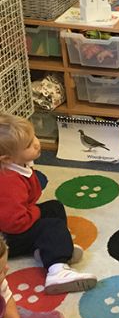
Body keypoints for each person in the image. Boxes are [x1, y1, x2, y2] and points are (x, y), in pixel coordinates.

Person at [0, 114, 97, 294]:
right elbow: (15, 223)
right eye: (28, 145)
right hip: (6, 238)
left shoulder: (18, 165)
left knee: (54, 207)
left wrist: (33, 210)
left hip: (14, 225)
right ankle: (57, 270)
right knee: (51, 226)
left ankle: (51, 248)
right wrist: (35, 212)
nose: (37, 143)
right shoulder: (8, 181)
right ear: (7, 159)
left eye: (34, 137)